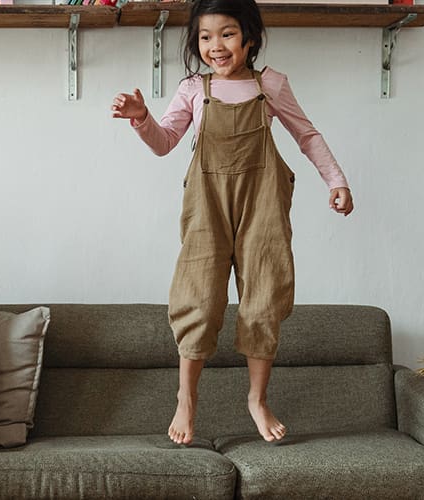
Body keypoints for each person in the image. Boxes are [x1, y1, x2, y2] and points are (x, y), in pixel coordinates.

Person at [110, 0, 353, 445]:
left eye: (226, 34)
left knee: (263, 300)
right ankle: (186, 399)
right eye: (205, 36)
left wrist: (336, 181)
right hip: (206, 207)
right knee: (199, 300)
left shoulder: (271, 85)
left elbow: (307, 135)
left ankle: (257, 400)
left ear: (250, 38)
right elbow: (164, 143)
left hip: (263, 205)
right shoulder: (191, 89)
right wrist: (142, 119)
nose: (215, 45)